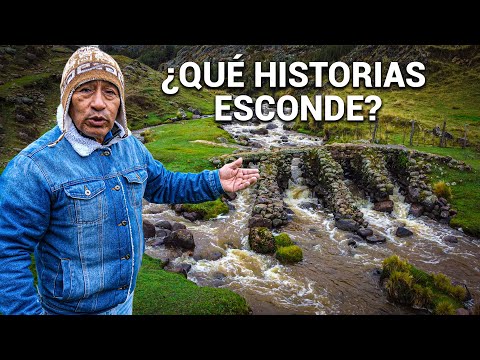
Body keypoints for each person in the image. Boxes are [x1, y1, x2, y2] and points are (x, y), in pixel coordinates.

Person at [0, 46, 259, 315]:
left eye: (109, 92)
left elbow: (165, 184)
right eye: (86, 90)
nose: (99, 103)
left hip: (125, 303)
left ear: (120, 102)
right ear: (67, 99)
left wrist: (215, 181)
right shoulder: (33, 167)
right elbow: (6, 254)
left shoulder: (131, 147)